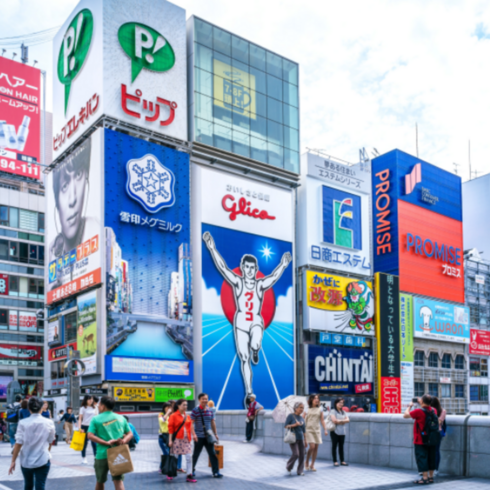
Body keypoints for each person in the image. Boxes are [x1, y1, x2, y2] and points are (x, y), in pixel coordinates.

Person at [203, 232, 292, 406]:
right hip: (241, 322)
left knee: (255, 344)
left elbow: (273, 277)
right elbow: (223, 268)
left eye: (253, 268)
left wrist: (283, 264)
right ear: (243, 268)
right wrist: (211, 247)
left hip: (256, 321)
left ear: (256, 269)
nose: (250, 271)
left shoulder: (259, 285)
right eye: (247, 267)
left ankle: (256, 350)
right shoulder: (238, 282)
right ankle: (249, 391)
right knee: (244, 358)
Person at [48, 138, 100, 292]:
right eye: (64, 186)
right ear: (56, 200)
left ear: (86, 180)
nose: (73, 199)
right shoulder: (52, 250)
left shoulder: (97, 232)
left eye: (78, 175)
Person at [8, 397, 56, 490]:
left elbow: (18, 443)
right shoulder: (49, 422)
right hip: (43, 459)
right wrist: (48, 452)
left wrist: (13, 461)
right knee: (40, 485)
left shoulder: (22, 423)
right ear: (42, 407)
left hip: (26, 460)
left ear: (29, 408)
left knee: (28, 485)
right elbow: (50, 441)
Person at [87, 396, 133, 490]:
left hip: (102, 454)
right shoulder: (121, 418)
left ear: (103, 406)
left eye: (99, 405)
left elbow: (90, 436)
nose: (98, 406)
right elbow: (130, 433)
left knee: (100, 481)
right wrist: (123, 441)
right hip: (118, 454)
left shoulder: (96, 419)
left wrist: (106, 443)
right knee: (118, 481)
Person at [403, 394, 438, 485]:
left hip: (420, 439)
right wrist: (422, 402)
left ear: (422, 401)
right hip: (432, 438)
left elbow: (405, 415)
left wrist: (410, 406)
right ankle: (431, 477)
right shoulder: (434, 410)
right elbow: (427, 408)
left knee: (422, 458)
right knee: (431, 457)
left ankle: (424, 478)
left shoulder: (418, 411)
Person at [191, 393, 222, 478]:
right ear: (199, 400)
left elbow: (212, 422)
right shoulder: (195, 410)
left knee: (212, 454)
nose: (204, 400)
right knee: (196, 455)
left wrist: (215, 434)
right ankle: (191, 471)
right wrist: (193, 434)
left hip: (208, 436)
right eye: (202, 399)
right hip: (199, 437)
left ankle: (216, 472)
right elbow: (191, 423)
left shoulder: (210, 410)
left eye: (206, 399)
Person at [168, 399, 197, 483]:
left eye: (186, 405)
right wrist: (170, 440)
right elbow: (170, 429)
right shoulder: (173, 416)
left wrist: (194, 435)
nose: (185, 407)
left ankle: (189, 475)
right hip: (177, 439)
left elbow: (190, 426)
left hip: (186, 440)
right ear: (178, 405)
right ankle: (170, 473)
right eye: (184, 405)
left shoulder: (187, 416)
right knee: (175, 457)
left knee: (189, 457)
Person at [305, 394, 328, 471]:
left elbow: (322, 420)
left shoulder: (320, 409)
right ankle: (307, 461)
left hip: (317, 430)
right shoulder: (306, 408)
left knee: (316, 448)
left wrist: (325, 429)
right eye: (315, 398)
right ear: (311, 399)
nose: (316, 399)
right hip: (309, 429)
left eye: (317, 398)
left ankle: (312, 465)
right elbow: (303, 419)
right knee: (312, 447)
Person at [284, 402, 308, 476]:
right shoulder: (290, 416)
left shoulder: (302, 418)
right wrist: (295, 424)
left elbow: (304, 430)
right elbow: (286, 426)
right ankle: (289, 466)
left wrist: (305, 440)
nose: (302, 409)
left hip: (301, 439)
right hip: (293, 438)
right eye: (300, 407)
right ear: (295, 408)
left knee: (302, 455)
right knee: (296, 454)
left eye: (303, 408)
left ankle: (300, 471)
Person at [79, 395, 98, 464]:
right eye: (89, 399)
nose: (91, 401)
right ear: (86, 400)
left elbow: (97, 418)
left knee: (94, 443)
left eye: (91, 399)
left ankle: (96, 457)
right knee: (84, 444)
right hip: (84, 427)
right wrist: (80, 428)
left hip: (93, 427)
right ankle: (83, 458)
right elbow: (80, 419)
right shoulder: (82, 408)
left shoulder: (95, 407)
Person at [330, 397, 350, 467]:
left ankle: (342, 461)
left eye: (342, 403)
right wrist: (343, 421)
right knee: (334, 446)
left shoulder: (343, 412)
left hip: (342, 432)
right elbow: (334, 421)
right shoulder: (332, 411)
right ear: (336, 403)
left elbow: (348, 420)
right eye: (339, 403)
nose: (341, 404)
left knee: (341, 447)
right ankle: (335, 461)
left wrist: (339, 421)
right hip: (334, 431)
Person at [430, 396, 446, 474]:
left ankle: (435, 468)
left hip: (436, 432)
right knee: (432, 451)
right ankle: (432, 469)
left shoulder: (442, 411)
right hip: (430, 432)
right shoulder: (429, 410)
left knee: (436, 451)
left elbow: (438, 422)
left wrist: (431, 421)